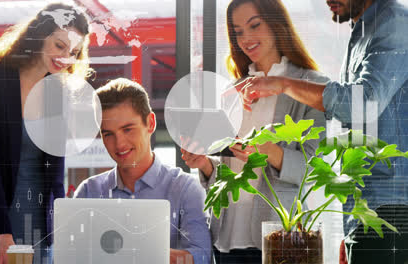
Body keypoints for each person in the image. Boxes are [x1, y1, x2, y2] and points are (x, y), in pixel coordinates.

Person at [235, 0, 408, 262]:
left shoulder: (393, 22)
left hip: (391, 214)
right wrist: (350, 229)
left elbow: (362, 104)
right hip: (368, 216)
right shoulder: (363, 30)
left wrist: (284, 84)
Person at [0, 3, 93, 264]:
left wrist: (60, 228)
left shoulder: (60, 92)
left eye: (74, 52)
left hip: (38, 218)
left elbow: (56, 172)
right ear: (38, 34)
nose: (65, 57)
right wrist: (2, 231)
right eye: (60, 46)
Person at [180, 0, 329, 263]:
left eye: (254, 25)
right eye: (238, 32)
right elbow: (226, 171)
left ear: (277, 24)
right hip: (226, 238)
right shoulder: (231, 91)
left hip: (280, 237)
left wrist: (265, 150)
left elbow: (313, 169)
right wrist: (204, 163)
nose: (246, 38)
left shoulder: (312, 86)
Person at [74, 78, 212, 264]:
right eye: (108, 134)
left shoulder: (185, 188)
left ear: (150, 123)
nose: (119, 144)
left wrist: (139, 251)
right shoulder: (89, 192)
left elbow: (202, 257)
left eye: (128, 129)